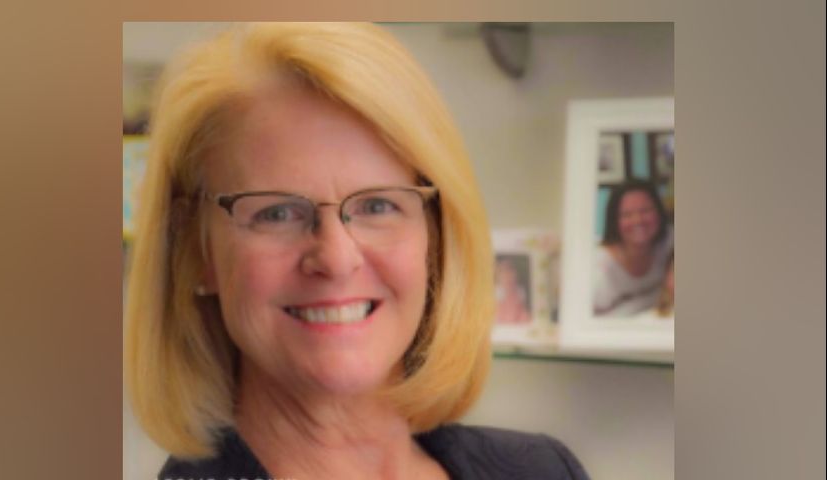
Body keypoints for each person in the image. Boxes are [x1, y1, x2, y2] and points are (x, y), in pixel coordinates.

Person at [125, 23, 589, 480]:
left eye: (377, 206)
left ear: (435, 236)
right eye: (277, 213)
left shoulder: (543, 471)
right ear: (194, 251)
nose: (336, 259)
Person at [593, 179, 673, 317]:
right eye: (626, 214)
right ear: (614, 221)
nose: (638, 220)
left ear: (659, 212)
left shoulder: (670, 241)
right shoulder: (597, 268)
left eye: (645, 211)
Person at [494, 256, 532, 324]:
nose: (508, 276)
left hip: (518, 321)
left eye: (511, 271)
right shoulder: (497, 293)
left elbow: (522, 310)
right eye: (503, 272)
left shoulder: (520, 291)